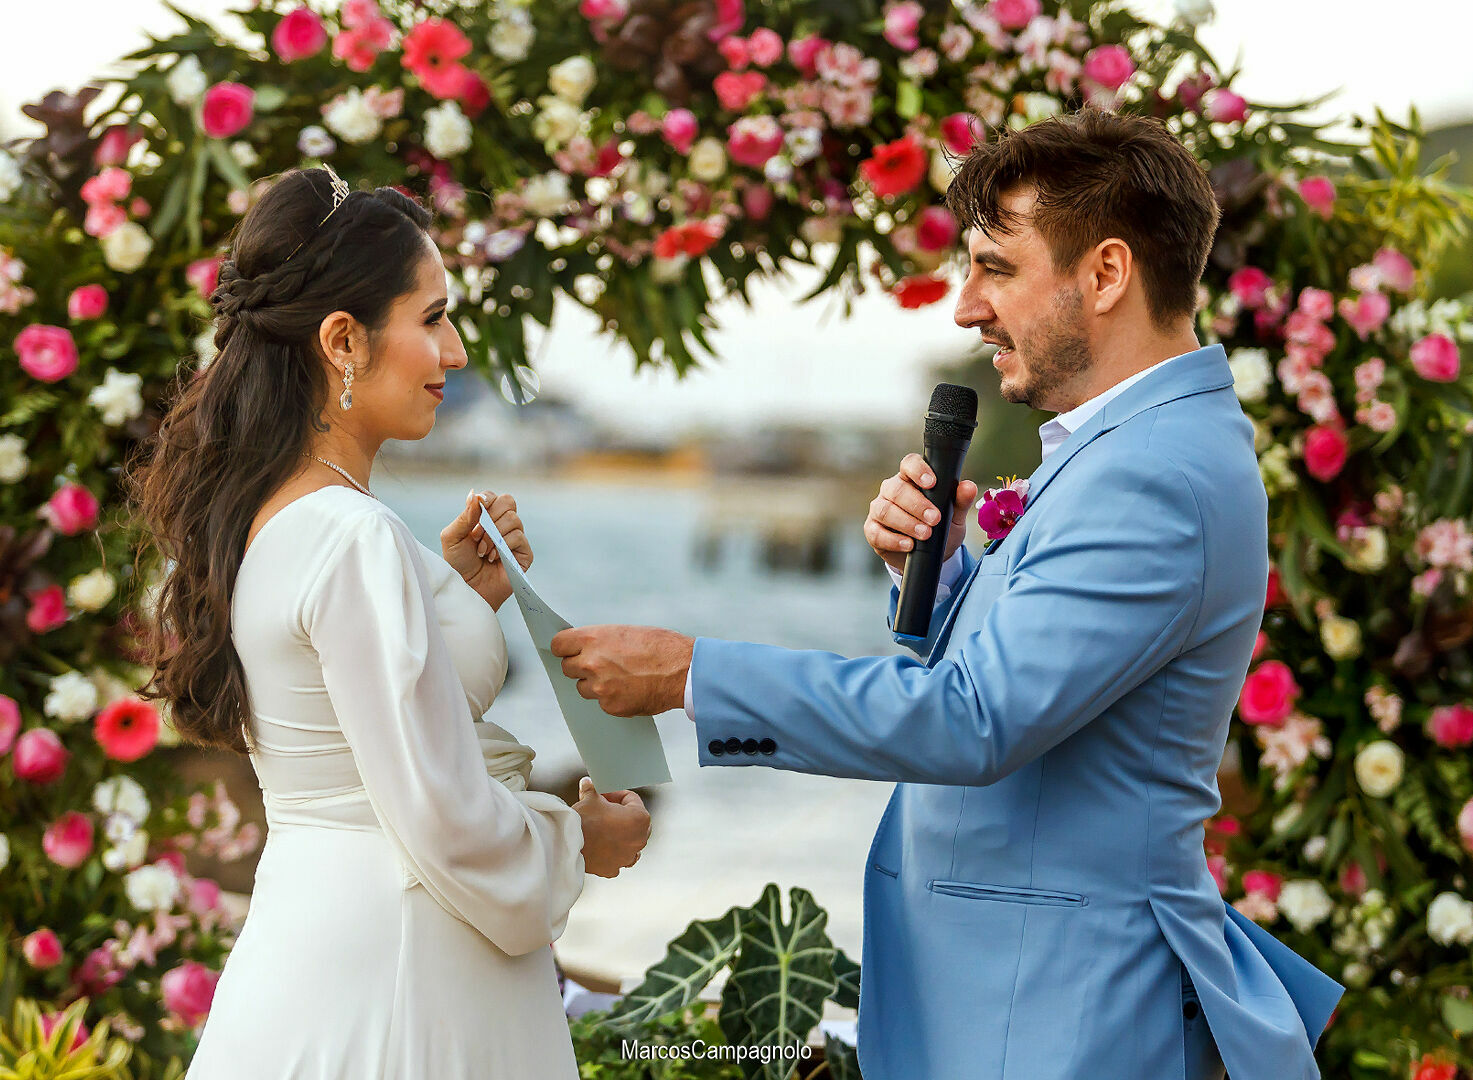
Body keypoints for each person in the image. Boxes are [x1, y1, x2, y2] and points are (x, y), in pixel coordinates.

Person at [549, 109, 1344, 1079]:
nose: (965, 307)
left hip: (1061, 1010)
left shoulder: (1150, 476)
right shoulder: (1127, 450)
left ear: (1104, 274)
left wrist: (692, 676)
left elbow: (975, 723)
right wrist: (941, 575)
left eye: (995, 269)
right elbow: (1049, 690)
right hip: (1016, 996)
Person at [129, 166, 650, 1078]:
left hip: (315, 935)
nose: (453, 353)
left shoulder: (280, 518)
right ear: (343, 341)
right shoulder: (351, 538)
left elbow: (339, 723)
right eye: (432, 317)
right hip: (403, 961)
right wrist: (579, 841)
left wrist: (450, 599)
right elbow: (447, 822)